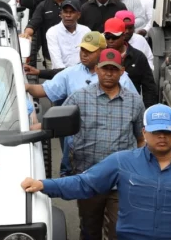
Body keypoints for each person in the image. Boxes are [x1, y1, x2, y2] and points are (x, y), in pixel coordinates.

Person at [21, 103, 171, 240]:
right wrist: (44, 185)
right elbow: (85, 184)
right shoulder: (122, 162)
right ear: (144, 132)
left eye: (167, 132)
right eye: (156, 132)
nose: (162, 136)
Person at [61, 48, 145, 240]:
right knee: (89, 231)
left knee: (119, 232)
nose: (109, 73)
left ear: (122, 71)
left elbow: (141, 138)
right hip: (88, 178)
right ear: (96, 69)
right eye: (105, 68)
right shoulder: (79, 98)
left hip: (121, 180)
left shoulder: (134, 102)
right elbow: (59, 123)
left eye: (114, 69)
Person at [23, 0, 78, 67]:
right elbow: (33, 23)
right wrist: (27, 33)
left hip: (72, 54)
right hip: (51, 54)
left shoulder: (75, 4)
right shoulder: (43, 5)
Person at [103, 18, 157, 108]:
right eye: (107, 37)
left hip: (131, 107)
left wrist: (147, 110)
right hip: (104, 106)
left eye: (114, 37)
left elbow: (149, 88)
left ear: (123, 36)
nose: (110, 41)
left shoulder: (138, 57)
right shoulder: (100, 56)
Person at [46, 0, 91, 69]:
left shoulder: (86, 31)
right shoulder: (52, 32)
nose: (68, 15)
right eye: (65, 12)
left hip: (82, 73)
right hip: (60, 73)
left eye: (72, 12)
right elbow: (56, 61)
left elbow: (88, 56)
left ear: (78, 15)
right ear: (61, 14)